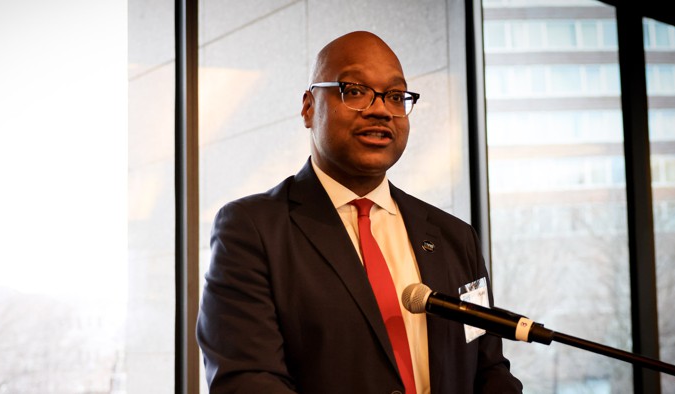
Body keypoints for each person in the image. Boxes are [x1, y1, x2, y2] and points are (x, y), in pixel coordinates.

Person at [196, 31, 523, 394]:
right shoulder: (253, 230)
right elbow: (248, 380)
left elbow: (488, 368)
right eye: (354, 91)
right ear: (308, 107)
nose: (381, 109)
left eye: (396, 96)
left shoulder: (455, 237)